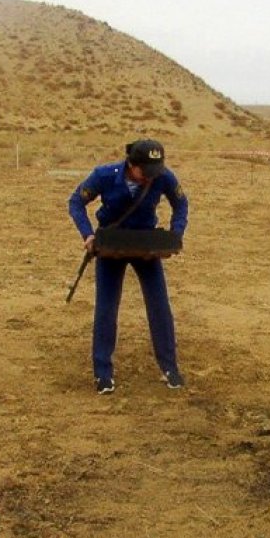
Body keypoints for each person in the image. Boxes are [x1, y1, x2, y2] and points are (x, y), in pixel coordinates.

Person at [68, 138, 189, 394]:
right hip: (110, 246)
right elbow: (75, 202)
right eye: (145, 172)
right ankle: (103, 374)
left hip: (146, 246)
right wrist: (87, 234)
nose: (150, 178)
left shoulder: (163, 176)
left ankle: (170, 368)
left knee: (159, 305)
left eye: (154, 172)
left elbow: (181, 203)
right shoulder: (104, 175)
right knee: (106, 308)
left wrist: (176, 234)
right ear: (131, 165)